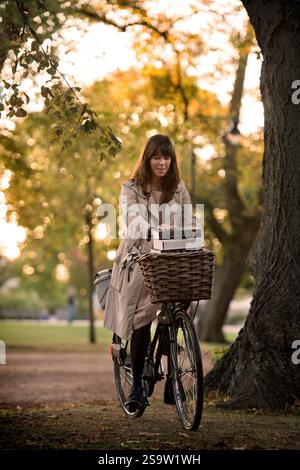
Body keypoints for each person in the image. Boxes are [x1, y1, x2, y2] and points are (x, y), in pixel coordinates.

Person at [104, 134, 193, 412]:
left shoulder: (178, 188)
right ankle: (138, 388)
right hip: (139, 256)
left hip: (170, 257)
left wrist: (190, 235)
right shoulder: (130, 188)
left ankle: (172, 376)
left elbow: (189, 219)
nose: (162, 162)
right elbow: (132, 220)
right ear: (147, 159)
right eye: (156, 156)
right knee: (142, 314)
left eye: (167, 157)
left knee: (186, 296)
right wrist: (153, 231)